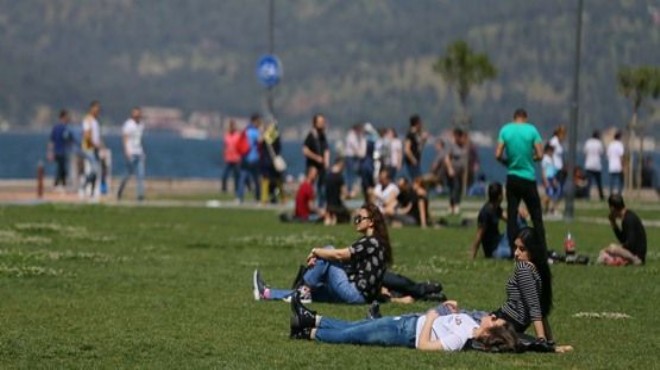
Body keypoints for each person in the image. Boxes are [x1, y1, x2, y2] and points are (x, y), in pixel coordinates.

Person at [254, 203, 392, 304]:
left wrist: (316, 252)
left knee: (329, 250)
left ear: (371, 222)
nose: (356, 221)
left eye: (360, 218)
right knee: (313, 294)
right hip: (359, 295)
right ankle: (266, 293)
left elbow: (339, 255)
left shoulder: (370, 242)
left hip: (354, 294)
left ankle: (305, 288)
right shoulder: (377, 243)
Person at [288, 293, 519, 352]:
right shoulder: (472, 322)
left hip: (404, 332)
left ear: (491, 333)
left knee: (352, 334)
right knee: (354, 327)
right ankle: (311, 320)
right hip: (407, 322)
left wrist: (430, 318)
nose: (493, 315)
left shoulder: (461, 339)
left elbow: (424, 347)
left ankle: (306, 332)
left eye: (495, 320)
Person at [495, 108, 547, 253]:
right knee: (536, 215)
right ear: (525, 117)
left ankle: (513, 249)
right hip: (528, 177)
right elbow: (540, 154)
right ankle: (541, 248)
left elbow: (498, 154)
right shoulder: (532, 130)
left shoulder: (505, 130)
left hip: (512, 177)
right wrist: (531, 159)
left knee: (512, 216)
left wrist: (507, 163)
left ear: (514, 117)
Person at [493, 227, 553, 342]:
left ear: (533, 251)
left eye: (522, 249)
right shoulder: (538, 270)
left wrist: (542, 340)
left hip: (504, 324)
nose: (516, 253)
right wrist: (549, 341)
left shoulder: (524, 268)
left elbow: (535, 307)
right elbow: (540, 310)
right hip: (504, 322)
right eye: (515, 247)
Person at [597, 194, 646, 266]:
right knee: (604, 253)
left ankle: (633, 260)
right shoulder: (625, 217)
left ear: (612, 208)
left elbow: (630, 244)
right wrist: (613, 223)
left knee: (612, 248)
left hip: (637, 256)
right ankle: (618, 260)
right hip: (633, 252)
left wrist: (616, 249)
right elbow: (623, 239)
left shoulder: (629, 219)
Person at [470, 182, 515, 259]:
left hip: (499, 240)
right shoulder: (485, 212)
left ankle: (522, 246)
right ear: (499, 196)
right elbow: (479, 234)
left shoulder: (496, 208)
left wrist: (518, 212)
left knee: (518, 220)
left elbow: (510, 220)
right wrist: (472, 254)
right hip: (493, 250)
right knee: (512, 253)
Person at [117, 107, 146, 201]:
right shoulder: (128, 124)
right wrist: (126, 150)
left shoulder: (141, 125)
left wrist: (143, 152)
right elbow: (125, 137)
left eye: (138, 114)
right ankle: (120, 191)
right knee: (127, 174)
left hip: (139, 152)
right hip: (131, 153)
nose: (137, 116)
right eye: (135, 114)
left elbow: (140, 139)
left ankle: (140, 196)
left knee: (140, 175)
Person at [303, 114, 330, 207]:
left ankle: (321, 206)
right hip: (313, 166)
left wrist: (326, 160)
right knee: (311, 187)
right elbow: (305, 150)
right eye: (320, 122)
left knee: (322, 187)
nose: (322, 124)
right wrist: (316, 158)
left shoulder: (322, 135)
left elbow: (326, 148)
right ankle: (310, 206)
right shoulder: (311, 135)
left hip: (321, 167)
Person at [79, 100, 103, 200]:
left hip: (95, 148)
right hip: (88, 148)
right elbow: (87, 135)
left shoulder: (95, 121)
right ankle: (83, 185)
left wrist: (102, 146)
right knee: (94, 169)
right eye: (96, 108)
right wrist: (95, 144)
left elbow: (97, 136)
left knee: (96, 171)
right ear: (91, 108)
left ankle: (92, 192)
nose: (97, 111)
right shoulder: (87, 120)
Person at [237, 114, 262, 203]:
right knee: (256, 179)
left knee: (242, 178)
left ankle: (240, 197)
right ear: (255, 121)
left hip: (245, 157)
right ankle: (258, 196)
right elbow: (261, 141)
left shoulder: (246, 131)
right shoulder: (255, 132)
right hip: (254, 158)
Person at [445, 128, 469, 215]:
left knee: (458, 188)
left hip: (460, 171)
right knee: (455, 187)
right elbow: (447, 158)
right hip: (453, 171)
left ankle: (454, 205)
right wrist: (449, 169)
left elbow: (465, 159)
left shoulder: (463, 146)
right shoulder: (451, 146)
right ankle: (454, 205)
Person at [47, 109, 72, 191]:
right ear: (63, 117)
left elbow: (51, 141)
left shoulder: (55, 128)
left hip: (58, 151)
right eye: (67, 117)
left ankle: (62, 184)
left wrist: (50, 152)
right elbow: (67, 139)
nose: (68, 119)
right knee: (61, 168)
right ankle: (58, 184)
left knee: (61, 168)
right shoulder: (64, 128)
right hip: (61, 151)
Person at [260, 121, 284, 204]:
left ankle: (264, 199)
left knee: (266, 179)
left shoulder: (266, 136)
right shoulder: (276, 136)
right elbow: (279, 148)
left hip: (267, 161)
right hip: (274, 160)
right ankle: (282, 198)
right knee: (277, 180)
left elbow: (261, 146)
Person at [324, 159, 350, 225]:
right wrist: (352, 194)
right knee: (348, 216)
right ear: (340, 164)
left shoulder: (327, 176)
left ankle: (330, 217)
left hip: (328, 206)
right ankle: (335, 218)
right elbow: (345, 193)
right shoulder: (339, 177)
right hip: (337, 207)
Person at [344, 123, 366, 197]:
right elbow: (354, 147)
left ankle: (351, 189)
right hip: (350, 156)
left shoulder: (356, 136)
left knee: (352, 173)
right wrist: (360, 154)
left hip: (353, 157)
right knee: (350, 174)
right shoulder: (351, 136)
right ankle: (349, 190)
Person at [403, 115, 427, 180]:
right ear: (417, 123)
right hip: (412, 162)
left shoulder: (416, 135)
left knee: (418, 179)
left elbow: (419, 148)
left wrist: (424, 141)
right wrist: (413, 160)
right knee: (417, 180)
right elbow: (407, 149)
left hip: (416, 161)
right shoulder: (410, 134)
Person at [583, 130, 605, 200]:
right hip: (597, 165)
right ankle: (601, 196)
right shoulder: (599, 143)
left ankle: (587, 196)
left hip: (589, 165)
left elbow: (585, 153)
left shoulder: (588, 142)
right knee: (599, 182)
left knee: (588, 182)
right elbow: (601, 152)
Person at [221, 120, 241, 193]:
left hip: (236, 158)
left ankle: (237, 189)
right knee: (224, 175)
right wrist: (224, 155)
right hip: (228, 158)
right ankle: (224, 189)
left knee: (236, 176)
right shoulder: (226, 136)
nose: (231, 128)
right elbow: (225, 146)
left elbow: (240, 146)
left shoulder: (238, 135)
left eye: (233, 126)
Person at [541, 144, 560, 215]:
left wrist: (554, 179)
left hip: (551, 177)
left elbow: (552, 170)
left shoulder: (550, 158)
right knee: (549, 194)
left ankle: (548, 209)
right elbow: (543, 170)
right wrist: (545, 180)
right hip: (548, 178)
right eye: (552, 151)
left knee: (551, 194)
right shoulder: (545, 159)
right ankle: (545, 207)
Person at [548, 125, 567, 190]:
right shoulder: (554, 141)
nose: (564, 137)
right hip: (554, 168)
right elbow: (549, 154)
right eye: (563, 134)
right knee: (555, 187)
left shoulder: (559, 143)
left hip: (560, 168)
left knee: (560, 186)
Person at [607, 131, 625, 196]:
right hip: (618, 166)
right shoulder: (620, 145)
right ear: (620, 137)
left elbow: (608, 155)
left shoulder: (610, 145)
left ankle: (611, 193)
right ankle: (619, 193)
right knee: (621, 181)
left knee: (611, 181)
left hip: (611, 165)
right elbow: (621, 156)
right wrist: (622, 165)